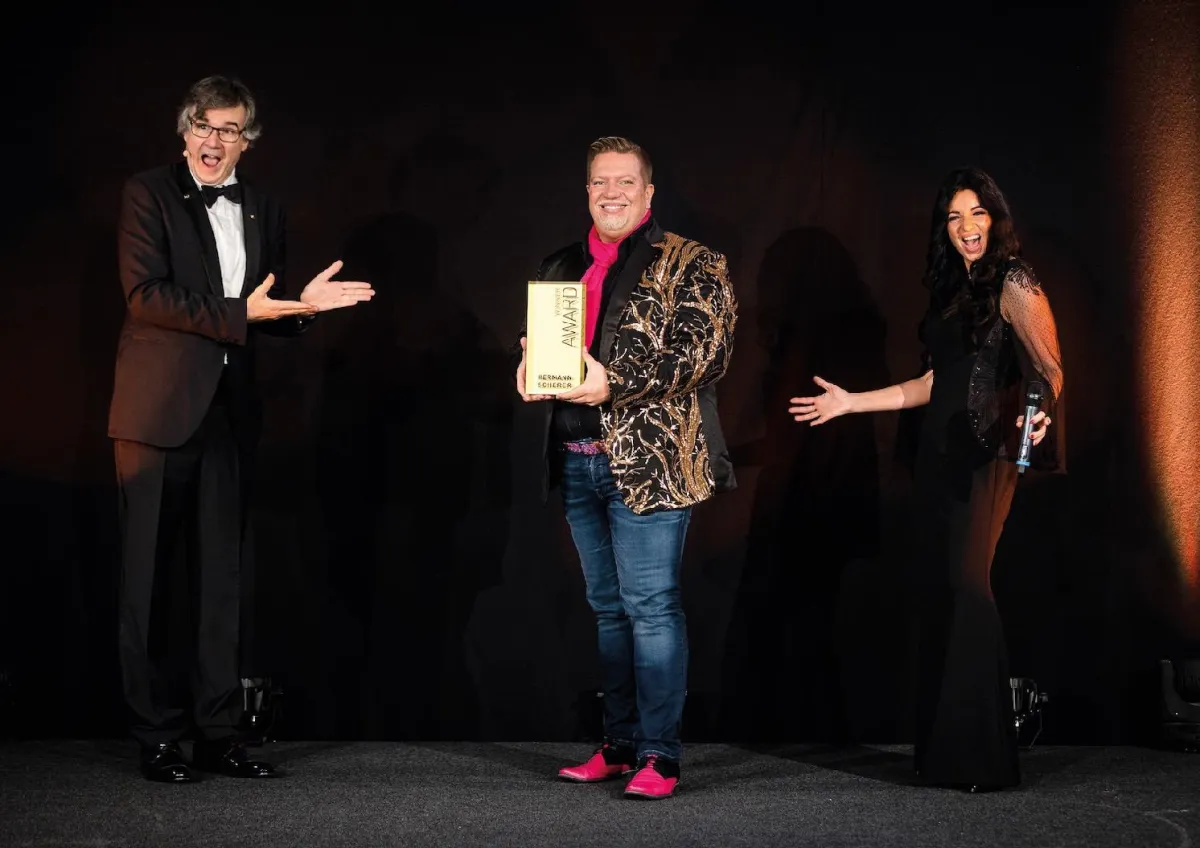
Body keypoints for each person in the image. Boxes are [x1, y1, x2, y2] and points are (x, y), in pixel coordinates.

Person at [110, 74, 374, 783]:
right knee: (150, 585)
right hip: (157, 415)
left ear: (248, 140)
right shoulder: (148, 193)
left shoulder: (263, 207)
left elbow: (263, 312)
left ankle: (218, 734)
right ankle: (158, 736)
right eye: (203, 125)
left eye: (229, 130)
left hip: (230, 414)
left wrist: (303, 308)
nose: (213, 140)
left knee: (221, 583)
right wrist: (248, 315)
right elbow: (146, 296)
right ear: (183, 130)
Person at [788, 166, 1065, 791]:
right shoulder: (950, 293)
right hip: (939, 454)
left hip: (987, 451)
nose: (967, 227)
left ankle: (983, 758)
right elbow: (932, 383)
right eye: (954, 217)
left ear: (996, 219)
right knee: (944, 591)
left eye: (977, 214)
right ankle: (945, 754)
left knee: (970, 587)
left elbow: (1050, 369)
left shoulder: (1014, 281)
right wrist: (851, 403)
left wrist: (1038, 414)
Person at [513, 136, 737, 799]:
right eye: (599, 183)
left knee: (651, 609)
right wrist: (527, 367)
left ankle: (659, 756)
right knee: (609, 612)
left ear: (648, 192)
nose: (611, 192)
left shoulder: (694, 263)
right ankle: (617, 744)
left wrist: (617, 383)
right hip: (578, 462)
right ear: (587, 191)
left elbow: (705, 354)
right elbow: (548, 353)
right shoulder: (560, 264)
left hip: (653, 467)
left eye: (625, 182)